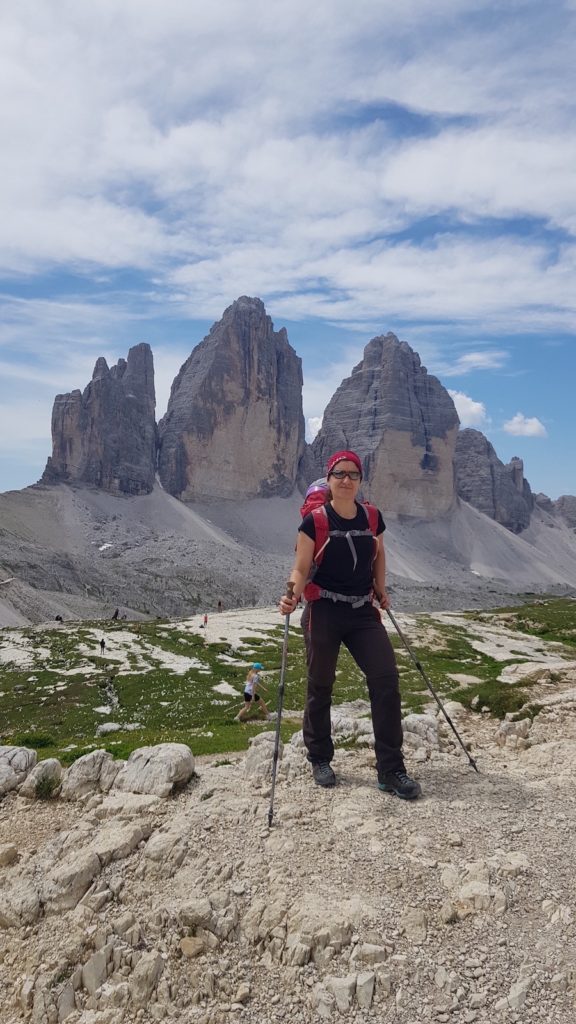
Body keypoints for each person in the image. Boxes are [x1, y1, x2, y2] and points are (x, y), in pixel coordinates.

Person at [279, 450, 421, 799]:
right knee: (320, 685)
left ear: (360, 481)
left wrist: (381, 588)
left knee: (386, 678)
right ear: (328, 480)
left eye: (353, 474)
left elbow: (379, 552)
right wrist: (291, 596)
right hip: (323, 609)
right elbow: (301, 567)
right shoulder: (314, 521)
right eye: (340, 474)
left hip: (361, 611)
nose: (346, 480)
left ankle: (391, 769)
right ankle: (320, 758)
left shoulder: (372, 517)